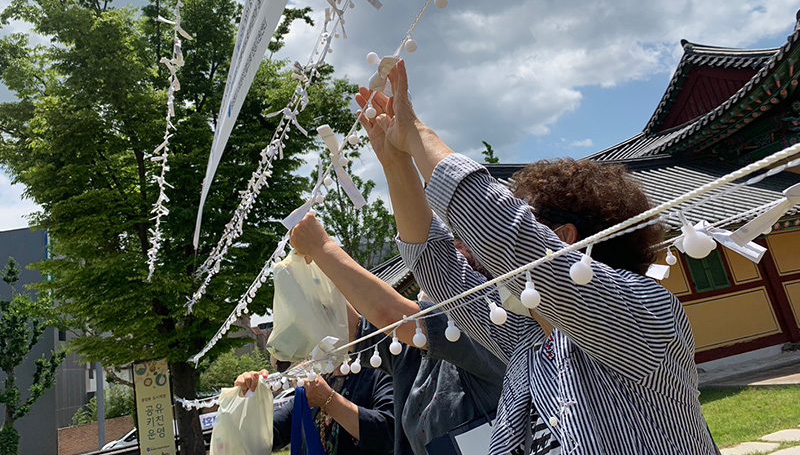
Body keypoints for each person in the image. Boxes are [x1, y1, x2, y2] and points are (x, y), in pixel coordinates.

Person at [354, 59, 720, 455]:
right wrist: (395, 162)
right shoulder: (527, 337)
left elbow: (505, 234)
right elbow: (437, 265)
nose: (475, 246)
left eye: (527, 216)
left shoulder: (641, 314)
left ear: (563, 239)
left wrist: (418, 134)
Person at [289, 212, 505, 455]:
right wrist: (313, 272)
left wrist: (322, 246)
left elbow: (389, 314)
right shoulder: (416, 353)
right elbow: (354, 328)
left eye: (435, 281)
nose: (422, 287)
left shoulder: (486, 337)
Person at [235, 302, 394, 455]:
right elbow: (268, 436)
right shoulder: (319, 379)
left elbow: (389, 434)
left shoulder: (380, 371)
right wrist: (247, 401)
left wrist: (328, 400)